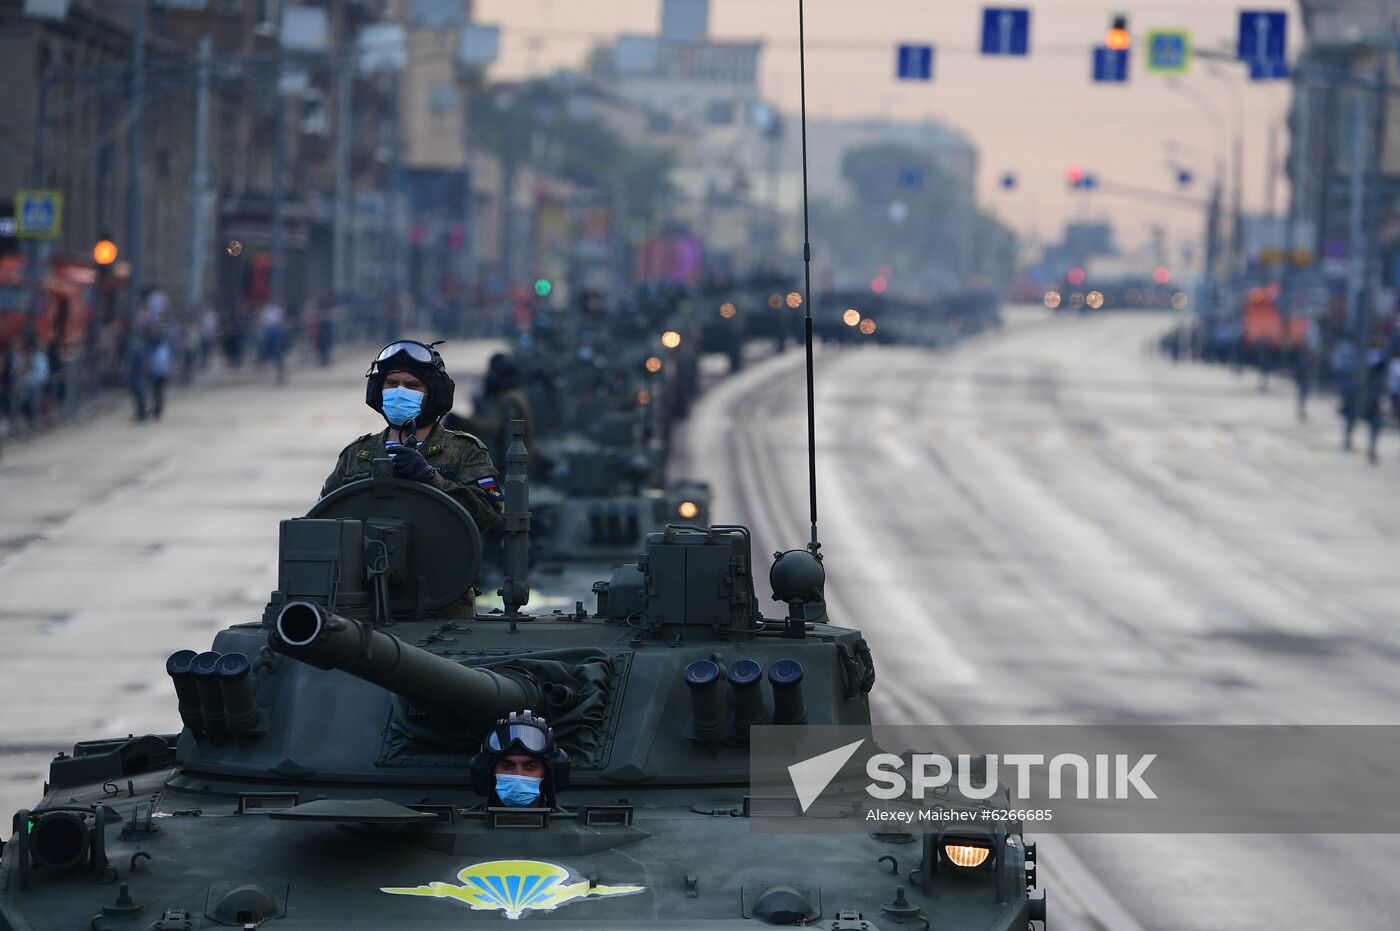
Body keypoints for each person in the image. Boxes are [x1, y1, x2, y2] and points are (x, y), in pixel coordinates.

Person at [320, 340, 503, 535]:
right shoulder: (356, 454)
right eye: (391, 384)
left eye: (412, 385)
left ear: (434, 395)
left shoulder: (466, 451)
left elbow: (491, 515)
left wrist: (432, 479)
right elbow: (321, 519)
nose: (399, 392)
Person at [446, 352, 534, 472]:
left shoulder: (509, 399)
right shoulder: (515, 395)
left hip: (508, 463)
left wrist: (462, 421)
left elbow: (491, 427)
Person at [469, 710, 570, 809]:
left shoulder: (573, 820)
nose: (518, 774)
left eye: (530, 766)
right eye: (507, 766)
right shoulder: (462, 819)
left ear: (548, 773)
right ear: (489, 771)